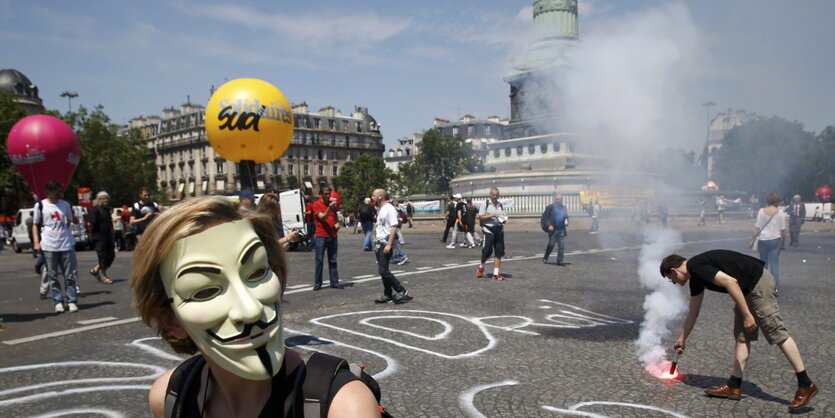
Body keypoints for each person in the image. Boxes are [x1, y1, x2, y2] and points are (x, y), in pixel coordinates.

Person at [129, 197, 382, 418]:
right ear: (171, 320)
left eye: (258, 271)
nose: (250, 311)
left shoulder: (343, 406)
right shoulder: (171, 398)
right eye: (206, 290)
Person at [660, 250, 818, 412]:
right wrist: (682, 338)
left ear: (674, 270)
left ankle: (806, 384)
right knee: (742, 337)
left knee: (777, 333)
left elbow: (731, 282)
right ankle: (734, 385)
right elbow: (694, 311)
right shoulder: (695, 278)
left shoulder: (696, 266)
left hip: (758, 284)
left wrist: (747, 315)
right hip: (747, 290)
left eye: (669, 278)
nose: (672, 282)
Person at [33, 181, 80, 313]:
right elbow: (35, 224)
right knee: (52, 275)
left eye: (59, 190)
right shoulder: (41, 205)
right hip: (49, 244)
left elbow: (71, 219)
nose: (58, 193)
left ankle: (71, 301)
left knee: (69, 275)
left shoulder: (65, 204)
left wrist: (75, 218)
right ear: (48, 192)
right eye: (55, 191)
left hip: (66, 243)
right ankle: (58, 301)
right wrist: (36, 242)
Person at [371, 188, 411, 304]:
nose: (372, 198)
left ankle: (401, 290)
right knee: (383, 270)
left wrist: (389, 244)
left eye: (373, 195)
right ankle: (387, 293)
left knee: (383, 271)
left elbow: (394, 226)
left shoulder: (389, 209)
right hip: (379, 243)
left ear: (379, 197)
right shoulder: (381, 209)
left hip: (385, 243)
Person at [749, 192, 787, 293]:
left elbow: (756, 228)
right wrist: (783, 242)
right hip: (775, 239)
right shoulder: (780, 213)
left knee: (764, 264)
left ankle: (763, 286)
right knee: (774, 264)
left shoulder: (761, 211)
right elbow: (783, 230)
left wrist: (752, 241)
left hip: (763, 239)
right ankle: (775, 287)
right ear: (777, 201)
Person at [311, 186, 345, 291]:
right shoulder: (316, 204)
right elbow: (322, 217)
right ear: (322, 194)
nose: (327, 196)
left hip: (332, 235)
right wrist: (329, 207)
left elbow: (338, 217)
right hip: (321, 235)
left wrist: (338, 223)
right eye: (325, 194)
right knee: (319, 260)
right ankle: (318, 283)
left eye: (328, 194)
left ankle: (334, 281)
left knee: (333, 260)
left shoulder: (333, 206)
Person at [476, 187, 507, 280]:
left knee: (499, 251)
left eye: (496, 195)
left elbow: (503, 215)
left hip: (499, 229)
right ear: (490, 194)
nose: (495, 196)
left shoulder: (500, 205)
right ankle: (481, 267)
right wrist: (491, 215)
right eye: (493, 195)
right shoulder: (484, 204)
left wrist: (503, 220)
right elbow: (480, 217)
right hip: (488, 230)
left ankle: (496, 273)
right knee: (487, 251)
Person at [88, 191, 115, 284]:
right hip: (99, 238)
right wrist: (92, 235)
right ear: (98, 200)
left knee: (111, 255)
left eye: (106, 198)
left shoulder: (107, 210)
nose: (105, 200)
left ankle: (95, 269)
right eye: (103, 198)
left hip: (108, 237)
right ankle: (103, 275)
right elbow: (90, 223)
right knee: (102, 257)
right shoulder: (95, 210)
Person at [541, 194, 569, 266]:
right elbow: (545, 218)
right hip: (553, 230)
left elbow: (566, 217)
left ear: (562, 200)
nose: (558, 201)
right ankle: (546, 257)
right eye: (557, 199)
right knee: (551, 244)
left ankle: (559, 260)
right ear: (555, 199)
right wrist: (549, 225)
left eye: (560, 199)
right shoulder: (550, 207)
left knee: (561, 246)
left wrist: (567, 221)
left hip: (561, 229)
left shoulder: (564, 208)